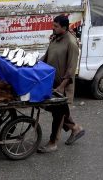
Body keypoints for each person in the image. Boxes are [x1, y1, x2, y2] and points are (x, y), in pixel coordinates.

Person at [38, 15, 85, 153]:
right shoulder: (55, 39)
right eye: (53, 25)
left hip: (62, 87)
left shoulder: (71, 43)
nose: (53, 28)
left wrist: (61, 87)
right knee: (55, 110)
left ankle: (53, 143)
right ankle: (76, 128)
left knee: (58, 114)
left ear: (64, 28)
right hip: (52, 83)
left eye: (56, 26)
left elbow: (71, 70)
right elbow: (46, 57)